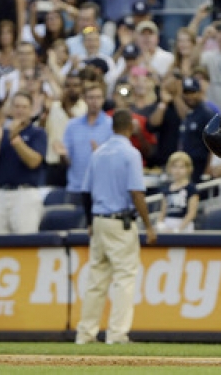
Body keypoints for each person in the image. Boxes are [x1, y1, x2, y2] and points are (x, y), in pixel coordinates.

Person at [75, 109, 157, 345]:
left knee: (96, 279)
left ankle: (85, 334)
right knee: (124, 277)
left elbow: (85, 191)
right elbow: (136, 192)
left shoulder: (98, 152)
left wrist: (90, 222)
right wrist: (148, 226)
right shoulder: (130, 153)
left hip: (99, 220)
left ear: (112, 127)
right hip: (120, 222)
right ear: (131, 128)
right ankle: (117, 334)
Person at [0, 92, 48, 234]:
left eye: (24, 107)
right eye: (17, 106)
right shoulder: (0, 132)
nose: (20, 110)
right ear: (11, 109)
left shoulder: (38, 133)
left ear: (31, 110)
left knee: (25, 240)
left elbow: (34, 162)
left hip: (24, 194)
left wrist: (16, 140)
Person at [156, 151, 199, 233]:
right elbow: (163, 211)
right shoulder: (167, 189)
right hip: (168, 224)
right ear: (169, 168)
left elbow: (192, 213)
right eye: (174, 167)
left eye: (181, 167)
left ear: (188, 169)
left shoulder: (191, 188)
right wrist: (160, 225)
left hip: (184, 225)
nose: (177, 170)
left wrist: (179, 229)